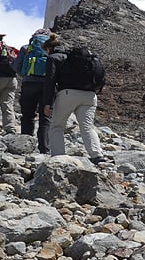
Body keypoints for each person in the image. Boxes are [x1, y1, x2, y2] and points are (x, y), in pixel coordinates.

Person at [42, 34, 106, 163]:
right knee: (87, 126)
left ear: (48, 48)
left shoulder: (53, 58)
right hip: (90, 95)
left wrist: (47, 103)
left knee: (57, 126)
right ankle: (97, 155)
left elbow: (50, 81)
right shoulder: (76, 58)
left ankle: (58, 157)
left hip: (68, 94)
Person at [13, 28, 52, 154]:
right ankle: (44, 148)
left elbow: (16, 66)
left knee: (27, 114)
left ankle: (25, 145)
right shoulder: (51, 48)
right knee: (45, 116)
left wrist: (25, 75)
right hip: (47, 85)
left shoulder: (26, 48)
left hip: (28, 83)